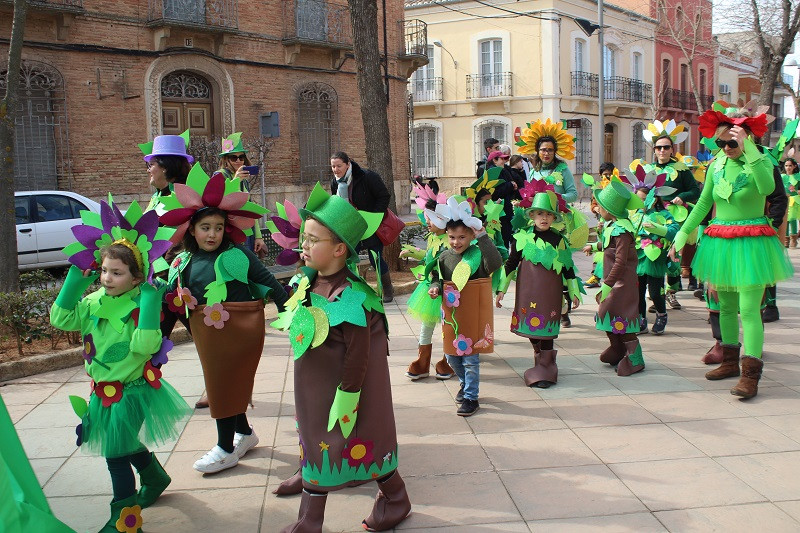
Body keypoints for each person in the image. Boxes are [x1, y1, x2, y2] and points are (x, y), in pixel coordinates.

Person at [271, 183, 411, 532]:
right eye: (304, 237)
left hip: (342, 392)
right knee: (318, 440)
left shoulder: (349, 297)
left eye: (312, 240)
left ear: (338, 249)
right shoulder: (309, 281)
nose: (303, 245)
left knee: (358, 441)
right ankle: (315, 483)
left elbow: (360, 354)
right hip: (315, 385)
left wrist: (348, 396)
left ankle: (387, 500)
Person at [51, 199, 191, 532]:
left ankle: (124, 522)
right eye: (104, 271)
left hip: (133, 392)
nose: (108, 278)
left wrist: (149, 302)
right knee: (123, 443)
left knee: (115, 455)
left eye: (117, 273)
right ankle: (155, 477)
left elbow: (145, 347)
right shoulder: (92, 302)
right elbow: (60, 318)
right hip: (102, 392)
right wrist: (75, 281)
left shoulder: (136, 305)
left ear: (135, 277)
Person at [159, 169, 289, 473]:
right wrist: (158, 343)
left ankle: (225, 448)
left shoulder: (236, 256)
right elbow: (170, 302)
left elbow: (271, 284)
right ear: (192, 230)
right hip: (206, 335)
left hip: (237, 332)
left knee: (221, 384)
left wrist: (293, 319)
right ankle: (243, 434)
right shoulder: (181, 261)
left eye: (218, 227)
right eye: (205, 227)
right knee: (225, 384)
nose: (212, 234)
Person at [671, 101, 794, 398]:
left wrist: (748, 149)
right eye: (723, 140)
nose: (727, 146)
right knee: (724, 307)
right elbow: (703, 203)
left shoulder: (762, 163)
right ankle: (729, 362)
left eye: (733, 140)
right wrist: (683, 233)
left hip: (752, 242)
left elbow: (767, 189)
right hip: (720, 242)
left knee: (750, 310)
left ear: (748, 137)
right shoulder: (716, 165)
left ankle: (750, 375)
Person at [496, 191, 580, 388]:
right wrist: (501, 289)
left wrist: (573, 291)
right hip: (528, 292)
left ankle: (546, 366)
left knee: (548, 331)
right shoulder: (521, 238)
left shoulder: (559, 239)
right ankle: (542, 360)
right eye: (540, 214)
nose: (544, 218)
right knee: (533, 330)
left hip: (551, 292)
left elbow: (567, 267)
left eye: (548, 214)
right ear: (532, 215)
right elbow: (511, 263)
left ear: (554, 218)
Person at [428, 197, 503, 416]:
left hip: (472, 315)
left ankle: (471, 397)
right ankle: (464, 383)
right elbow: (436, 277)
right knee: (452, 356)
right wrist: (435, 287)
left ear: (471, 235)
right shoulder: (443, 257)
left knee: (471, 359)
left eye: (462, 237)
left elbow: (495, 263)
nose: (456, 242)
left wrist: (483, 238)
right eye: (452, 237)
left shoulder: (477, 255)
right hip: (453, 316)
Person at [516, 119, 579, 328]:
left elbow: (573, 193)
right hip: (538, 222)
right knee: (543, 265)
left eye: (550, 150)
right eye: (543, 150)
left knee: (560, 264)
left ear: (555, 151)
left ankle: (564, 310)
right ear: (537, 151)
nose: (546, 153)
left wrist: (556, 200)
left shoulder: (563, 169)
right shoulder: (534, 170)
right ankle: (545, 305)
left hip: (558, 222)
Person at [584, 181, 646, 376]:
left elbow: (620, 261)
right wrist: (593, 247)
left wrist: (607, 286)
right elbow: (608, 246)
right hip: (614, 282)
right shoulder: (614, 226)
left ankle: (635, 355)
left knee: (621, 316)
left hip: (622, 284)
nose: (597, 208)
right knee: (607, 314)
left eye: (600, 206)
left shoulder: (623, 231)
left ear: (610, 210)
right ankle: (618, 347)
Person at [641, 120, 700, 310]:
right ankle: (656, 293)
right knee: (654, 253)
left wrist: (681, 197)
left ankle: (671, 293)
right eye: (658, 147)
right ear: (654, 149)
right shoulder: (649, 170)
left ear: (672, 149)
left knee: (674, 257)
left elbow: (695, 191)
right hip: (653, 218)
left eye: (666, 147)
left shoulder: (681, 169)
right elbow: (641, 192)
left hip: (675, 218)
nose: (662, 151)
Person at [404, 183, 455, 381]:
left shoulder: (450, 240)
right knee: (426, 326)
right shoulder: (433, 237)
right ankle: (422, 362)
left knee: (447, 326)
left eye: (430, 219)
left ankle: (447, 361)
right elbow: (428, 258)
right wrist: (413, 252)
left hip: (447, 288)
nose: (426, 222)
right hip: (430, 289)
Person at [621, 166, 680, 335]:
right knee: (637, 292)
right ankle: (640, 319)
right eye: (638, 200)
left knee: (655, 291)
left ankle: (661, 315)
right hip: (637, 257)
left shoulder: (665, 215)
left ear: (654, 199)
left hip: (655, 257)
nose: (641, 204)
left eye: (645, 200)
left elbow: (674, 230)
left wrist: (658, 229)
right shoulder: (633, 215)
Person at [329, 151, 395, 303]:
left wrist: (373, 216)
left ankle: (387, 289)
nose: (336, 170)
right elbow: (336, 202)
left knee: (375, 258)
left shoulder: (367, 176)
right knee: (347, 260)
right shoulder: (335, 182)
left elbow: (384, 196)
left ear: (348, 163)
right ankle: (348, 292)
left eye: (339, 166)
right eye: (333, 166)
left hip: (369, 225)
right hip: (350, 227)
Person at [215, 132, 267, 255]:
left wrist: (258, 236)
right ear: (226, 160)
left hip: (247, 230)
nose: (238, 161)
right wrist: (236, 180)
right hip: (230, 230)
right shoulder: (220, 175)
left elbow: (249, 208)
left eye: (241, 157)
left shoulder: (244, 181)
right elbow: (220, 201)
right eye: (234, 157)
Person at [586, 162, 616, 288]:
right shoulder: (597, 188)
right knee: (598, 249)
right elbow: (593, 204)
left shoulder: (616, 186)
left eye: (610, 174)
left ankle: (606, 275)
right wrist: (596, 209)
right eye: (605, 175)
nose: (607, 177)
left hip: (612, 221)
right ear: (600, 175)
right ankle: (595, 276)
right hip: (601, 221)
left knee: (608, 247)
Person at [782, 158, 800, 247]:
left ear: (794, 166)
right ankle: (785, 239)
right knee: (785, 219)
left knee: (792, 218)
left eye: (790, 165)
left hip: (794, 200)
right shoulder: (782, 177)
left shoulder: (798, 176)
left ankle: (793, 239)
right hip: (784, 200)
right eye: (786, 165)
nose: (788, 167)